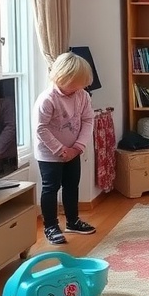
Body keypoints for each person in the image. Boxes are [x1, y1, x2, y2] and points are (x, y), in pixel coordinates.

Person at [33, 52, 96, 245]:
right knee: (51, 187)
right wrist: (61, 150)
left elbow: (88, 120)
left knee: (71, 185)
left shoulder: (82, 96)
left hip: (73, 150)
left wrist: (77, 147)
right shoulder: (48, 99)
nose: (80, 88)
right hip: (50, 153)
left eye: (82, 84)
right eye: (75, 83)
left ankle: (72, 221)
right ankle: (51, 226)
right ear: (62, 78)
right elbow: (40, 128)